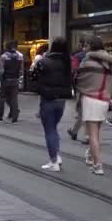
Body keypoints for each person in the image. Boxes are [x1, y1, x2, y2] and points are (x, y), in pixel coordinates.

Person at [76, 36, 112, 176]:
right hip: (104, 99)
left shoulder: (87, 61)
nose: (84, 48)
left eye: (86, 45)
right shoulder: (109, 61)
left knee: (92, 134)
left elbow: (79, 80)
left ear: (91, 47)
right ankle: (90, 155)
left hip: (90, 98)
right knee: (97, 132)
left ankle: (97, 164)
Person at [32, 37, 73, 172]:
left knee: (49, 130)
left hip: (47, 99)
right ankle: (57, 155)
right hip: (61, 100)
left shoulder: (43, 61)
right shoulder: (67, 63)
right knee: (53, 128)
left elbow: (33, 77)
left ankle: (53, 160)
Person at [68, 38, 89, 143]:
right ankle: (75, 131)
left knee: (84, 111)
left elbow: (75, 71)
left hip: (84, 87)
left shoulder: (78, 57)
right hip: (98, 89)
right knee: (85, 112)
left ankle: (87, 136)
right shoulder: (103, 58)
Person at [0, 41, 23, 124]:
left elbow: (1, 71)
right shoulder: (20, 56)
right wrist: (18, 78)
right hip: (15, 79)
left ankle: (0, 117)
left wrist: (1, 80)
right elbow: (21, 70)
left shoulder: (3, 56)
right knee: (14, 99)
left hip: (6, 79)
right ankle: (14, 118)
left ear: (6, 47)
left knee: (2, 98)